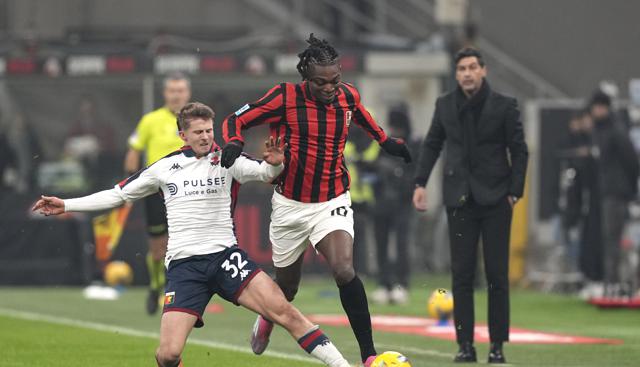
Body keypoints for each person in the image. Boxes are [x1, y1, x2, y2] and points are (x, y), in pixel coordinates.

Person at [32, 102, 352, 367]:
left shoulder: (229, 160)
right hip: (185, 268)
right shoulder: (164, 168)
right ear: (182, 134)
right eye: (198, 132)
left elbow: (264, 173)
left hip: (226, 258)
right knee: (168, 355)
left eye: (209, 131)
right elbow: (118, 195)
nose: (205, 137)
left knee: (287, 313)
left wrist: (276, 165)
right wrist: (67, 204)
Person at [220, 34, 412, 366]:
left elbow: (362, 114)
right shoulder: (283, 97)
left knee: (344, 269)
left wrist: (386, 141)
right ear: (305, 78)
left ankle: (368, 356)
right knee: (287, 290)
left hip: (332, 200)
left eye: (335, 81)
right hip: (290, 205)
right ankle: (268, 316)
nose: (330, 88)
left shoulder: (347, 95)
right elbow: (235, 119)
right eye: (321, 82)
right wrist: (235, 141)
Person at [413, 48, 528, 363]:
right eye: (462, 68)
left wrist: (515, 191)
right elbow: (432, 144)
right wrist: (420, 183)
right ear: (456, 73)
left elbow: (519, 150)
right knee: (461, 275)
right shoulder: (445, 104)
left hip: (496, 199)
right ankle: (465, 346)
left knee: (496, 276)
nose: (467, 73)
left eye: (472, 67)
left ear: (483, 71)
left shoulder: (505, 106)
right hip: (459, 199)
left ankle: (497, 347)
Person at [124, 72, 191, 314]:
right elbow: (133, 153)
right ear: (165, 94)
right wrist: (131, 186)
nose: (176, 95)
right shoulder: (150, 120)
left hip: (188, 191)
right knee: (157, 247)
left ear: (188, 93)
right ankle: (155, 286)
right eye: (172, 91)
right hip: (156, 191)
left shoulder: (195, 120)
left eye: (180, 91)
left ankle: (181, 292)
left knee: (186, 245)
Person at [589, 90, 639, 298]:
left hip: (617, 194)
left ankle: (615, 285)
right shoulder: (602, 130)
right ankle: (614, 283)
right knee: (612, 239)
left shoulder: (614, 131)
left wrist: (627, 189)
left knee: (614, 240)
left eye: (598, 106)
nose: (595, 110)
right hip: (611, 192)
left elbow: (632, 160)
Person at [371, 107, 417, 305]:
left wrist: (399, 177)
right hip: (382, 202)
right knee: (381, 243)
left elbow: (414, 171)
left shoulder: (414, 144)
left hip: (403, 202)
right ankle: (384, 283)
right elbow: (374, 168)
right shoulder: (385, 144)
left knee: (401, 243)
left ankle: (401, 284)